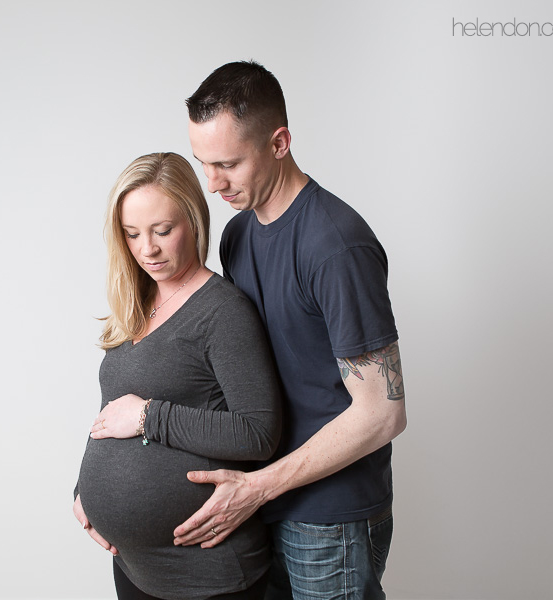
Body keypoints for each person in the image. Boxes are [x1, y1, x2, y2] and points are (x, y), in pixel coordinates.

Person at [172, 61, 408, 600]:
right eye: (203, 163)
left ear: (279, 142)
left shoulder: (336, 247)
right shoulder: (236, 235)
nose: (213, 184)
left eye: (228, 163)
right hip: (264, 504)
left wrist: (257, 488)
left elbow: (383, 412)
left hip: (330, 519)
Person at [73, 152, 283, 600]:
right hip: (134, 567)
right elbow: (112, 411)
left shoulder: (224, 312)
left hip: (206, 574)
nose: (147, 249)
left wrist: (150, 416)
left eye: (162, 231)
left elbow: (259, 432)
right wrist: (85, 492)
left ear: (193, 219)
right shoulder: (134, 304)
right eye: (132, 234)